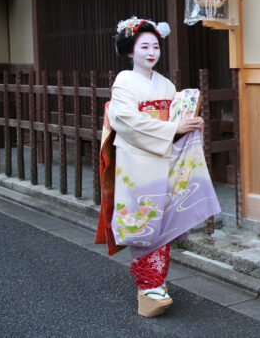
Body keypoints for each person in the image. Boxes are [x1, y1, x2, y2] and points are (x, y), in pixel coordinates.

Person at [94, 16, 221, 317]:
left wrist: (191, 124)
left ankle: (154, 285)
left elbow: (178, 119)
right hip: (136, 160)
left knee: (161, 220)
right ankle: (148, 287)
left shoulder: (165, 84)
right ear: (130, 51)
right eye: (144, 46)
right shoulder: (124, 82)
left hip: (162, 157)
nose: (151, 52)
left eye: (155, 46)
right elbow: (125, 121)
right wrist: (172, 128)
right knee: (142, 219)